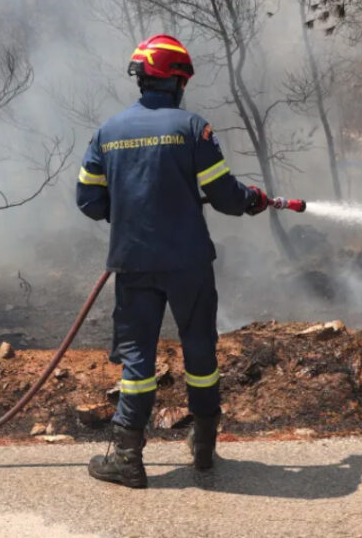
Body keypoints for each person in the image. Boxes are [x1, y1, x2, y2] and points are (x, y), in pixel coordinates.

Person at [76, 34, 268, 488]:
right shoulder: (192, 128)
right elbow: (224, 196)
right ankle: (203, 449)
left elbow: (87, 199)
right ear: (177, 79)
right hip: (189, 263)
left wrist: (125, 214)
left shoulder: (107, 132)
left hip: (134, 263)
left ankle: (128, 458)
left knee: (138, 357)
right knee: (200, 350)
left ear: (142, 79)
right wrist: (253, 200)